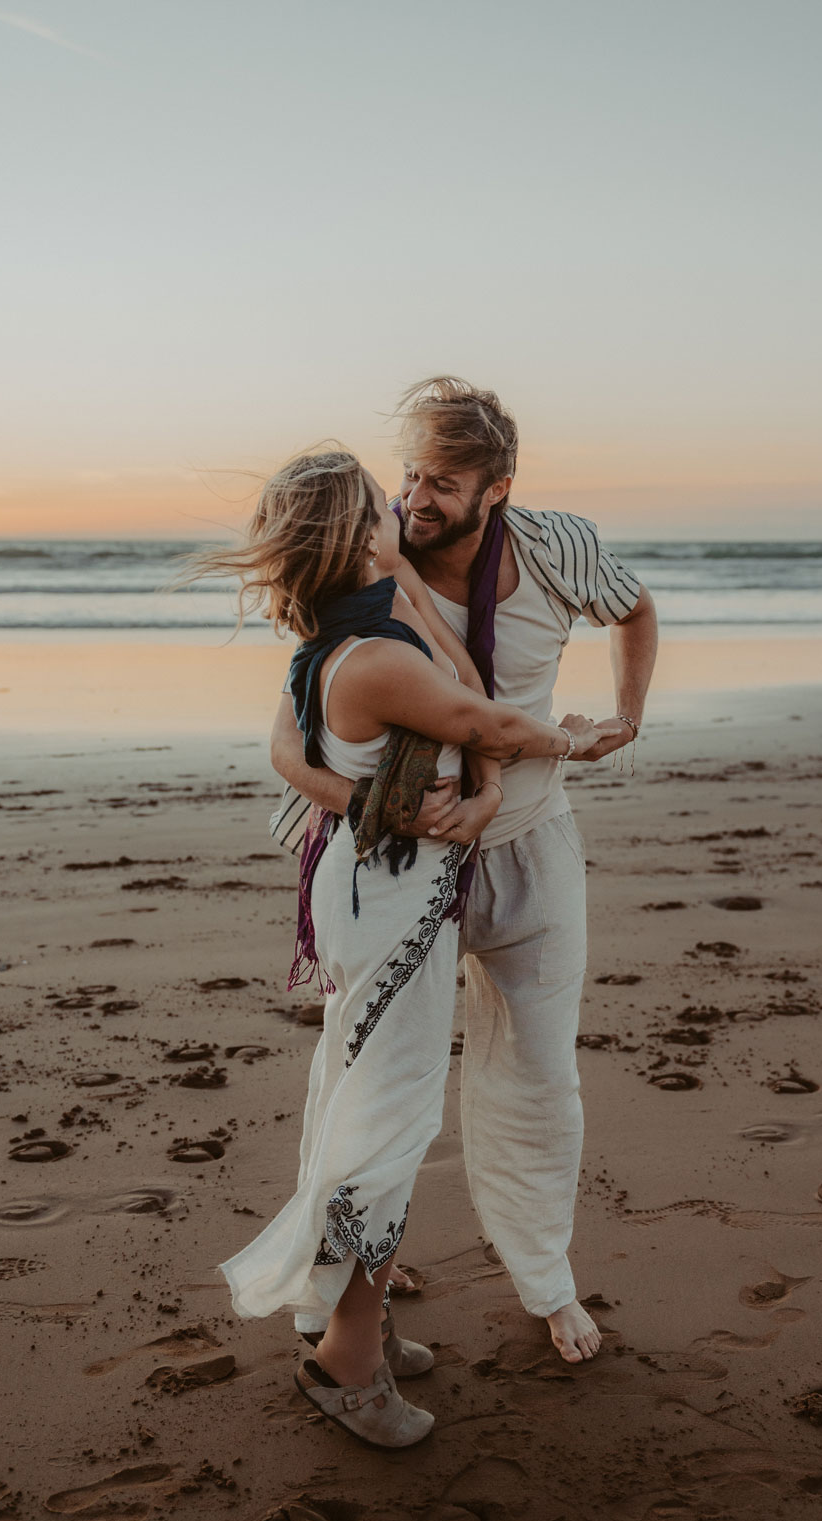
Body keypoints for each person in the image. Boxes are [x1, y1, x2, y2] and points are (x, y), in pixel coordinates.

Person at [191, 447, 605, 1449]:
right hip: (387, 903)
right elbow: (484, 716)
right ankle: (346, 1362)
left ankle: (355, 1322)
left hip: (393, 892)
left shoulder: (373, 623)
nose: (400, 509)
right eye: (381, 506)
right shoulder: (373, 659)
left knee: (380, 1111)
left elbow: (462, 682)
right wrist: (572, 739)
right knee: (385, 1125)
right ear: (354, 535)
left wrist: (409, 587)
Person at [273, 378, 659, 1369]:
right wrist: (367, 804)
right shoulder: (360, 558)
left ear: (498, 489)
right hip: (396, 869)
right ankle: (343, 1274)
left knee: (539, 1071)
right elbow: (287, 736)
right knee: (364, 1076)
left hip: (531, 843)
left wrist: (624, 720)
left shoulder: (557, 546)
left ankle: (545, 1277)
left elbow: (633, 610)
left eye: (443, 482)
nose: (414, 498)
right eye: (408, 474)